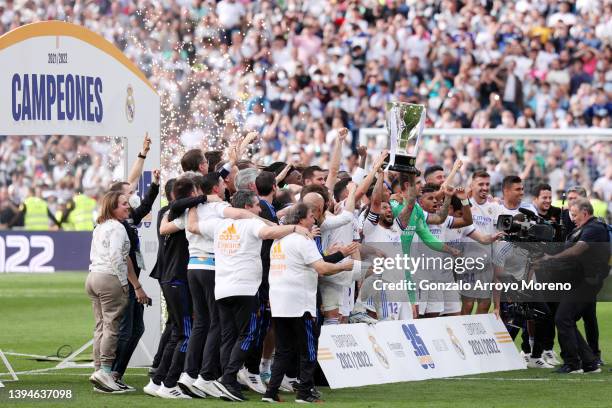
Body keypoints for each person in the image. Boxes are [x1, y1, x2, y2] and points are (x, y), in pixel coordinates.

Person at [194, 190, 312, 401]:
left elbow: (192, 226)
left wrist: (192, 204)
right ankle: (229, 379)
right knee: (248, 335)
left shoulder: (219, 225)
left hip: (221, 289)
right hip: (245, 289)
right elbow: (269, 233)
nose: (259, 209)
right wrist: (295, 227)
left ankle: (227, 379)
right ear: (247, 207)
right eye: (257, 206)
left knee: (229, 336)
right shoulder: (251, 224)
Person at [263, 203, 353, 403]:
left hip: (279, 303)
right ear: (302, 219)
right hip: (299, 303)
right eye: (312, 216)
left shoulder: (278, 241)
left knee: (283, 349)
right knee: (309, 349)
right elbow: (322, 268)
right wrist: (344, 266)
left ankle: (270, 393)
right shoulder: (303, 241)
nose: (314, 220)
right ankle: (304, 393)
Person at [86, 191, 148, 393]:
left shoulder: (100, 226)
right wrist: (124, 282)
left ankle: (98, 371)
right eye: (123, 204)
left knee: (100, 327)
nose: (127, 207)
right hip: (109, 278)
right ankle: (105, 371)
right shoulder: (118, 227)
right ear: (112, 207)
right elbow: (116, 255)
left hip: (93, 276)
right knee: (112, 327)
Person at [542, 198, 610, 374]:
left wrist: (553, 259)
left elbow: (577, 250)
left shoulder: (594, 229)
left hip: (585, 283)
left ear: (585, 213)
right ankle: (589, 362)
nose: (572, 219)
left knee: (562, 318)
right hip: (581, 282)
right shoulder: (584, 229)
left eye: (574, 215)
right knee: (566, 319)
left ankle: (573, 364)